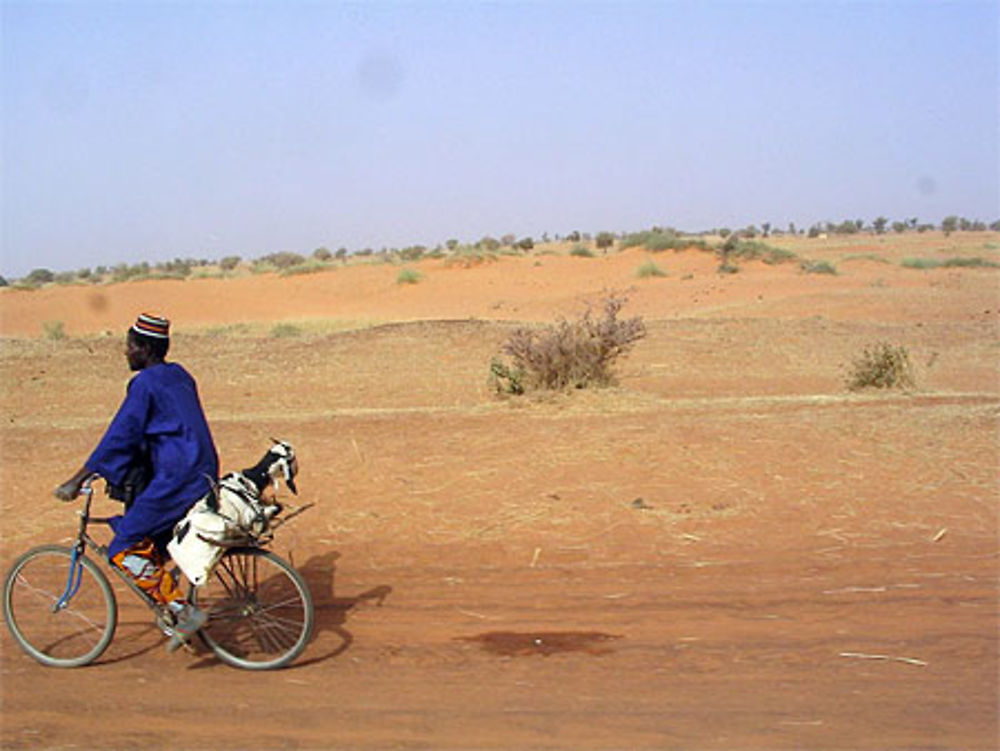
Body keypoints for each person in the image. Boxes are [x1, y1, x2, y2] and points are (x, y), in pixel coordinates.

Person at [55, 313, 219, 651]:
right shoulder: (179, 375)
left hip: (178, 476)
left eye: (130, 346)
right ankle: (169, 595)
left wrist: (79, 478)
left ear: (144, 349)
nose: (126, 352)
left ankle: (182, 611)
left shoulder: (145, 383)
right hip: (200, 467)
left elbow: (122, 434)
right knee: (152, 541)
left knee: (123, 546)